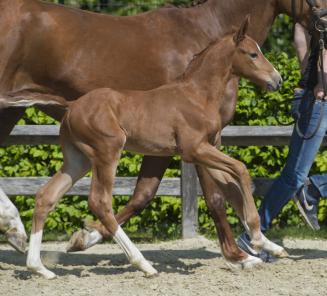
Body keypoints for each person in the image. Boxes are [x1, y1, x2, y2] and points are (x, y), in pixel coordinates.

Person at [238, 22, 327, 255]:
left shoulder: (311, 19)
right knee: (294, 176)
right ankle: (253, 236)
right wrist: (320, 80)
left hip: (313, 96)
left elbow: (299, 33)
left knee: (293, 176)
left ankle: (314, 189)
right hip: (319, 100)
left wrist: (307, 70)